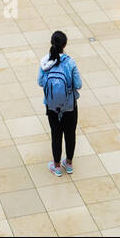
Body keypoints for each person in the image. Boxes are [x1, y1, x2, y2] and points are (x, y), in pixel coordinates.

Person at [38, 30, 82, 177]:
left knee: (56, 134)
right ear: (65, 44)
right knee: (70, 134)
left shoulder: (45, 62)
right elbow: (79, 84)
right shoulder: (70, 62)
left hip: (52, 106)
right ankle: (68, 164)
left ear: (52, 43)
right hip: (69, 105)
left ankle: (56, 166)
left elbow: (40, 82)